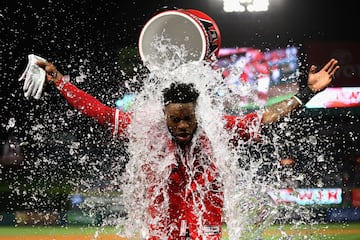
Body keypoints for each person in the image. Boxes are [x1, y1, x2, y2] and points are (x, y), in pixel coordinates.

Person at [34, 58, 339, 239]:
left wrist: (307, 92)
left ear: (198, 114)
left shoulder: (216, 130)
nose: (181, 126)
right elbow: (98, 111)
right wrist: (61, 81)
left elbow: (267, 118)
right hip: (162, 227)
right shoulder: (145, 130)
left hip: (204, 225)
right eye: (175, 119)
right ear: (164, 115)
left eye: (187, 119)